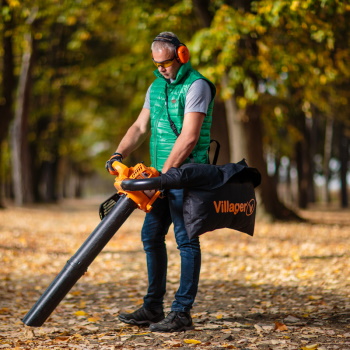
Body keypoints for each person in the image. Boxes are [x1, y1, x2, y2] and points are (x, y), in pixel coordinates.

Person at [105, 32, 216, 332]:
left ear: (181, 55)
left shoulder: (198, 86)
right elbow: (140, 126)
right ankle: (153, 307)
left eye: (166, 63)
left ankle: (181, 312)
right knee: (151, 237)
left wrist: (163, 177)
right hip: (160, 178)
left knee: (186, 240)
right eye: (157, 64)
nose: (162, 69)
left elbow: (189, 137)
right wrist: (118, 153)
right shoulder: (155, 87)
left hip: (188, 175)